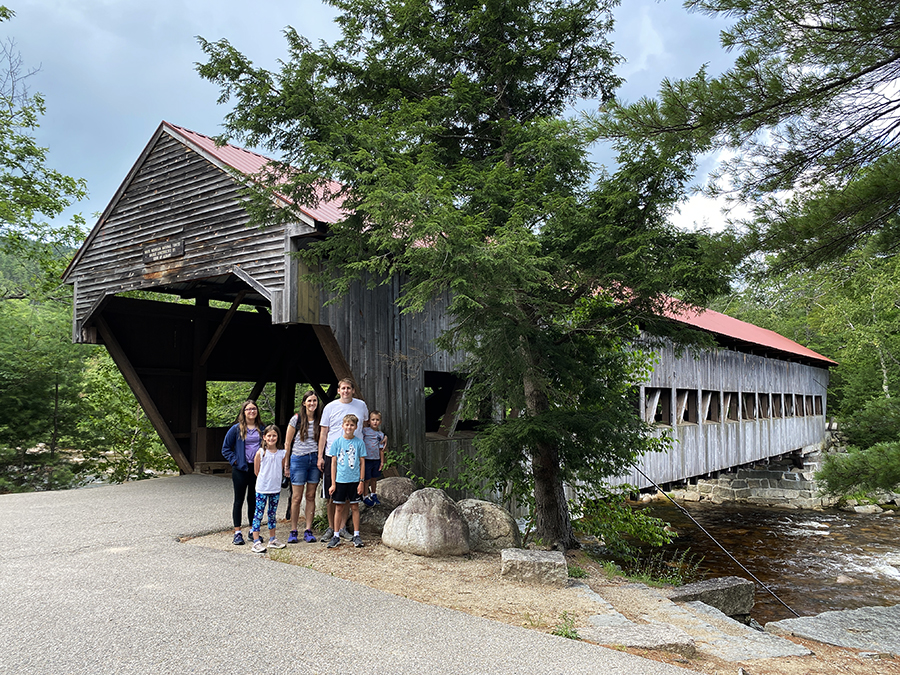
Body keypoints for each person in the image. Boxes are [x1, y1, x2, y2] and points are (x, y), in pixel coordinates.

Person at [317, 378, 368, 541]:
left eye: (348, 388)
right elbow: (323, 433)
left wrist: (380, 438)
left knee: (348, 496)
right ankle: (332, 527)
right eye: (342, 388)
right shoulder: (330, 407)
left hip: (353, 455)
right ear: (338, 390)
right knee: (331, 493)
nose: (345, 391)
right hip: (333, 454)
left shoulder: (361, 405)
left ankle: (343, 527)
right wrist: (320, 456)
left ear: (353, 390)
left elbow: (365, 428)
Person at [221, 399, 264, 545]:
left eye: (254, 409)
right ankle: (237, 532)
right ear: (243, 412)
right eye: (248, 409)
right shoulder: (236, 429)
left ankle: (253, 530)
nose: (251, 411)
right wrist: (235, 461)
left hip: (256, 468)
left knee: (253, 499)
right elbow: (225, 448)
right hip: (240, 469)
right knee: (238, 500)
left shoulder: (262, 429)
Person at [283, 390, 322, 544]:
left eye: (315, 401)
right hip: (298, 459)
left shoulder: (320, 420)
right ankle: (293, 530)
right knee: (297, 497)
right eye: (309, 401)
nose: (312, 403)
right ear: (304, 403)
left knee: (311, 496)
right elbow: (287, 442)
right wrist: (286, 464)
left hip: (314, 460)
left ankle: (308, 529)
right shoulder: (296, 419)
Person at [326, 414, 365, 548]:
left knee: (354, 507)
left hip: (354, 480)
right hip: (340, 480)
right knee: (339, 507)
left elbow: (362, 462)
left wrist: (361, 481)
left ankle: (356, 535)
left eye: (352, 425)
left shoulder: (359, 443)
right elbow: (333, 463)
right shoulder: (337, 442)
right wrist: (333, 483)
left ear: (355, 427)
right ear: (342, 426)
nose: (349, 427)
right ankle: (336, 535)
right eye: (347, 425)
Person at [250, 424, 287, 554]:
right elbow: (257, 470)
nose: (272, 438)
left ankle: (272, 539)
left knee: (272, 514)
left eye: (274, 436)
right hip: (262, 488)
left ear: (278, 437)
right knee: (258, 514)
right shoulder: (260, 453)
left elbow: (281, 468)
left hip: (275, 488)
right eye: (269, 435)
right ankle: (256, 541)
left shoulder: (282, 453)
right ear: (264, 437)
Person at [361, 410, 388, 506]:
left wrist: (382, 461)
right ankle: (364, 496)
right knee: (366, 479)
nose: (375, 422)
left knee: (374, 478)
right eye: (373, 420)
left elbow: (381, 449)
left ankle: (373, 494)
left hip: (376, 459)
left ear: (380, 422)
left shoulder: (380, 434)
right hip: (366, 459)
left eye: (377, 420)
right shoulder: (365, 431)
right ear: (369, 421)